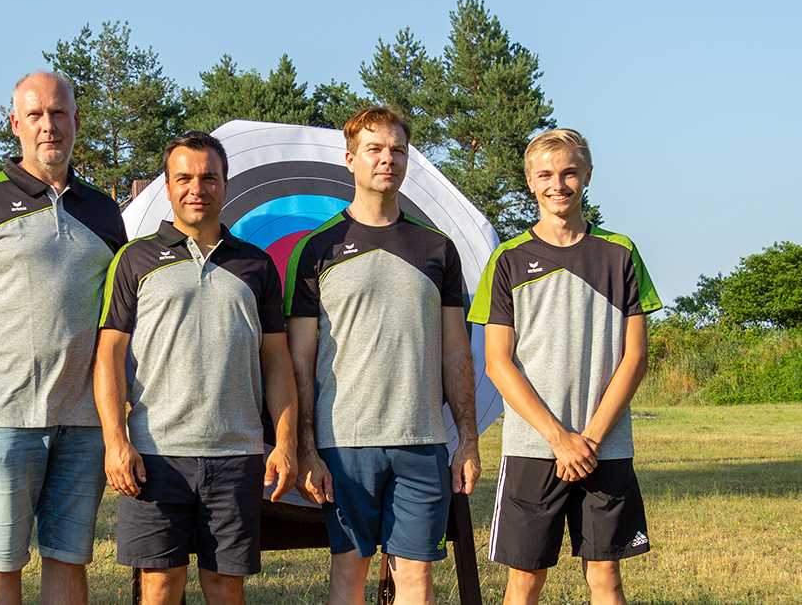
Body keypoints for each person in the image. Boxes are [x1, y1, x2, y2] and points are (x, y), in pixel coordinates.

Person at [0, 71, 127, 605]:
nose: (48, 125)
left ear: (77, 121)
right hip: (1, 422)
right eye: (34, 114)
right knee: (0, 561)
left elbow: (119, 322)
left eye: (59, 113)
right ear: (14, 122)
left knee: (69, 559)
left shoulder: (105, 214)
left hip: (83, 423)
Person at [282, 107, 481, 605]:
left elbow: (457, 349)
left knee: (416, 580)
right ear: (350, 159)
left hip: (423, 441)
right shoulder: (316, 249)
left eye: (397, 150)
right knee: (349, 572)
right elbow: (299, 361)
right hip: (344, 444)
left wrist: (468, 440)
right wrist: (307, 446)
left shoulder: (438, 248)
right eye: (374, 148)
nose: (386, 159)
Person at [94, 131, 298, 605]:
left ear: (225, 184)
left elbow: (277, 361)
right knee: (160, 589)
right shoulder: (134, 259)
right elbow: (108, 355)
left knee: (226, 588)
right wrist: (116, 442)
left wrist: (284, 443)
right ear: (166, 186)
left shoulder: (257, 265)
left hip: (237, 456)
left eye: (209, 177)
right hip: (154, 455)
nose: (196, 187)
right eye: (183, 177)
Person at [468, 128, 661, 605]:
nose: (559, 184)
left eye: (570, 172)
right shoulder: (507, 260)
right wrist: (560, 439)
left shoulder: (621, 253)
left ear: (588, 176)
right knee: (526, 580)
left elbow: (635, 357)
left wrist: (589, 439)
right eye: (546, 175)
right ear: (530, 182)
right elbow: (498, 361)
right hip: (534, 448)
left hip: (605, 446)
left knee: (606, 579)